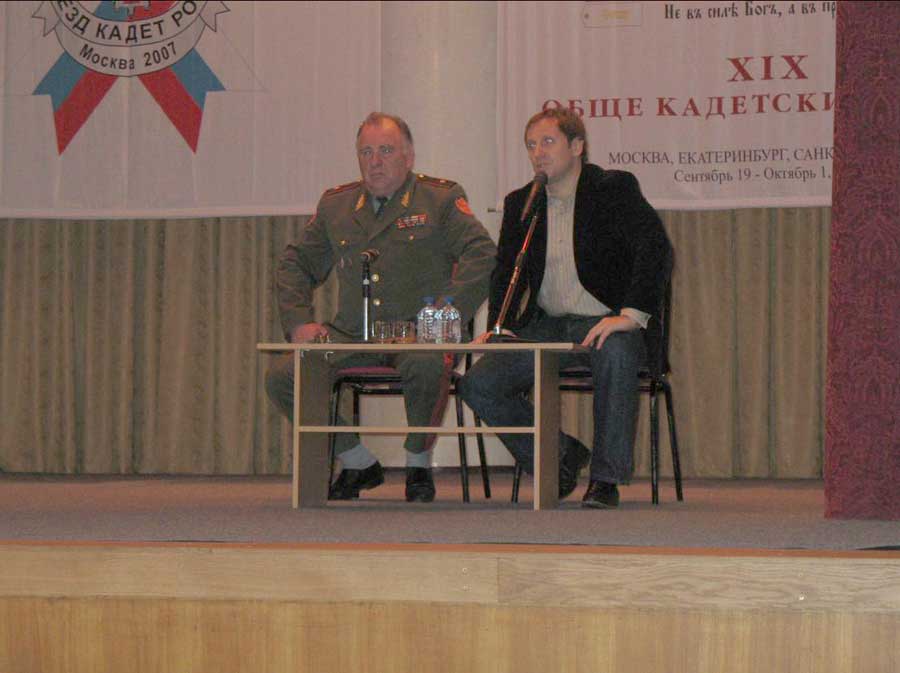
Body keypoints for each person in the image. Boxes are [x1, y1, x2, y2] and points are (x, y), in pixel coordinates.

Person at [266, 112, 495, 503]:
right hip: (351, 334)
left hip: (415, 333)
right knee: (284, 377)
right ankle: (357, 461)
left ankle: (418, 463)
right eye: (366, 152)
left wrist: (441, 315)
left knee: (426, 362)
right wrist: (299, 322)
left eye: (386, 151)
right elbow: (295, 263)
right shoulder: (337, 205)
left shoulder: (439, 198)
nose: (375, 162)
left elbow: (482, 254)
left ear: (408, 156)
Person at [457, 108, 672, 508]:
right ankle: (560, 455)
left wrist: (630, 316)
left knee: (616, 352)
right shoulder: (523, 203)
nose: (538, 152)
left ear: (576, 146)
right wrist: (500, 324)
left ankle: (605, 479)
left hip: (603, 321)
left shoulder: (613, 189)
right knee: (478, 384)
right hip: (549, 326)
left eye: (548, 142)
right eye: (531, 145)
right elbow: (506, 271)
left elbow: (655, 250)